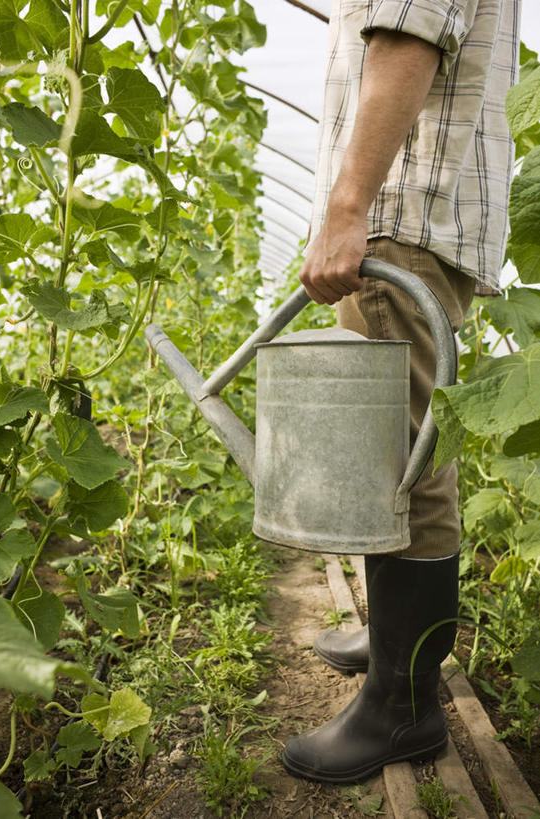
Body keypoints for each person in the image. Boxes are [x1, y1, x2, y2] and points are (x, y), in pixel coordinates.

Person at [282, 0, 521, 783]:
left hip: (399, 214)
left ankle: (401, 703)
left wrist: (347, 209)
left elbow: (406, 40)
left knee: (405, 467)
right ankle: (394, 647)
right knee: (407, 453)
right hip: (419, 216)